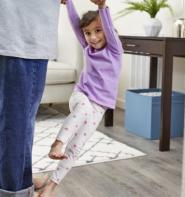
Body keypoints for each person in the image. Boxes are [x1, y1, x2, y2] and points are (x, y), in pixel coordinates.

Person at [38, 0, 123, 195]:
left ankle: (50, 186)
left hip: (99, 107)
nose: (92, 37)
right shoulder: (87, 47)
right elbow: (76, 23)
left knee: (76, 147)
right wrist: (68, 3)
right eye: (88, 33)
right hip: (81, 96)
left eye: (98, 31)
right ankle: (58, 142)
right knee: (82, 110)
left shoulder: (114, 50)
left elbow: (108, 27)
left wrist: (103, 7)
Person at [0, 1, 60, 197]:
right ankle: (14, 190)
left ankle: (18, 181)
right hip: (21, 34)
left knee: (12, 123)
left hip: (14, 33)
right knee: (17, 126)